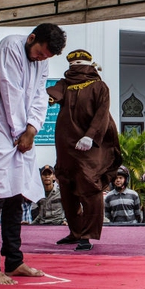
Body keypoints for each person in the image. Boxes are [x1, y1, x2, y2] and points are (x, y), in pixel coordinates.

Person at [0, 23, 66, 285]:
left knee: (16, 197)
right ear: (31, 38)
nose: (40, 59)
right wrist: (20, 134)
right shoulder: (11, 46)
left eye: (45, 57)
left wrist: (32, 130)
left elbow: (38, 97)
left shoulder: (42, 60)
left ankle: (13, 260)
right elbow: (11, 93)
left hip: (23, 133)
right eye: (39, 53)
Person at [47, 49, 121, 251]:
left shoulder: (99, 87)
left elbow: (102, 114)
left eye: (77, 66)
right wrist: (49, 97)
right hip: (65, 147)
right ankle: (75, 232)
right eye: (71, 67)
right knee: (66, 188)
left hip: (88, 147)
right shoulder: (66, 84)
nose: (74, 70)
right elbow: (55, 92)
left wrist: (90, 136)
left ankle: (87, 235)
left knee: (89, 187)